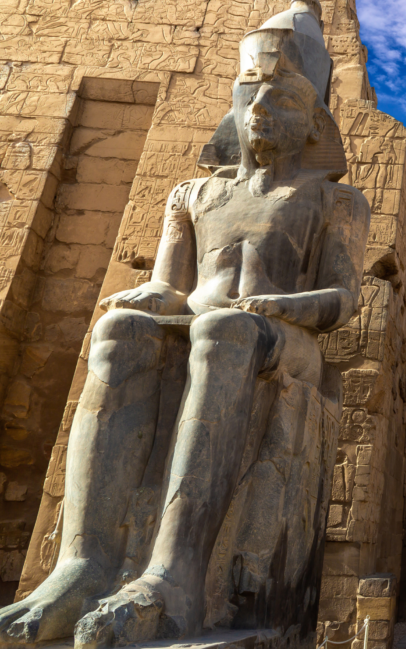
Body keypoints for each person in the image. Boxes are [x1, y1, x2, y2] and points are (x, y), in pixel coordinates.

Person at [0, 2, 370, 645]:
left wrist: (286, 306)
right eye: (249, 94)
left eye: (280, 99)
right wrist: (144, 295)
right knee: (118, 334)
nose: (259, 111)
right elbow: (172, 286)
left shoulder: (332, 199)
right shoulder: (192, 195)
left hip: (285, 339)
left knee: (221, 332)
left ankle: (174, 575)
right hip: (213, 324)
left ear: (315, 122)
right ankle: (82, 566)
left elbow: (344, 296)